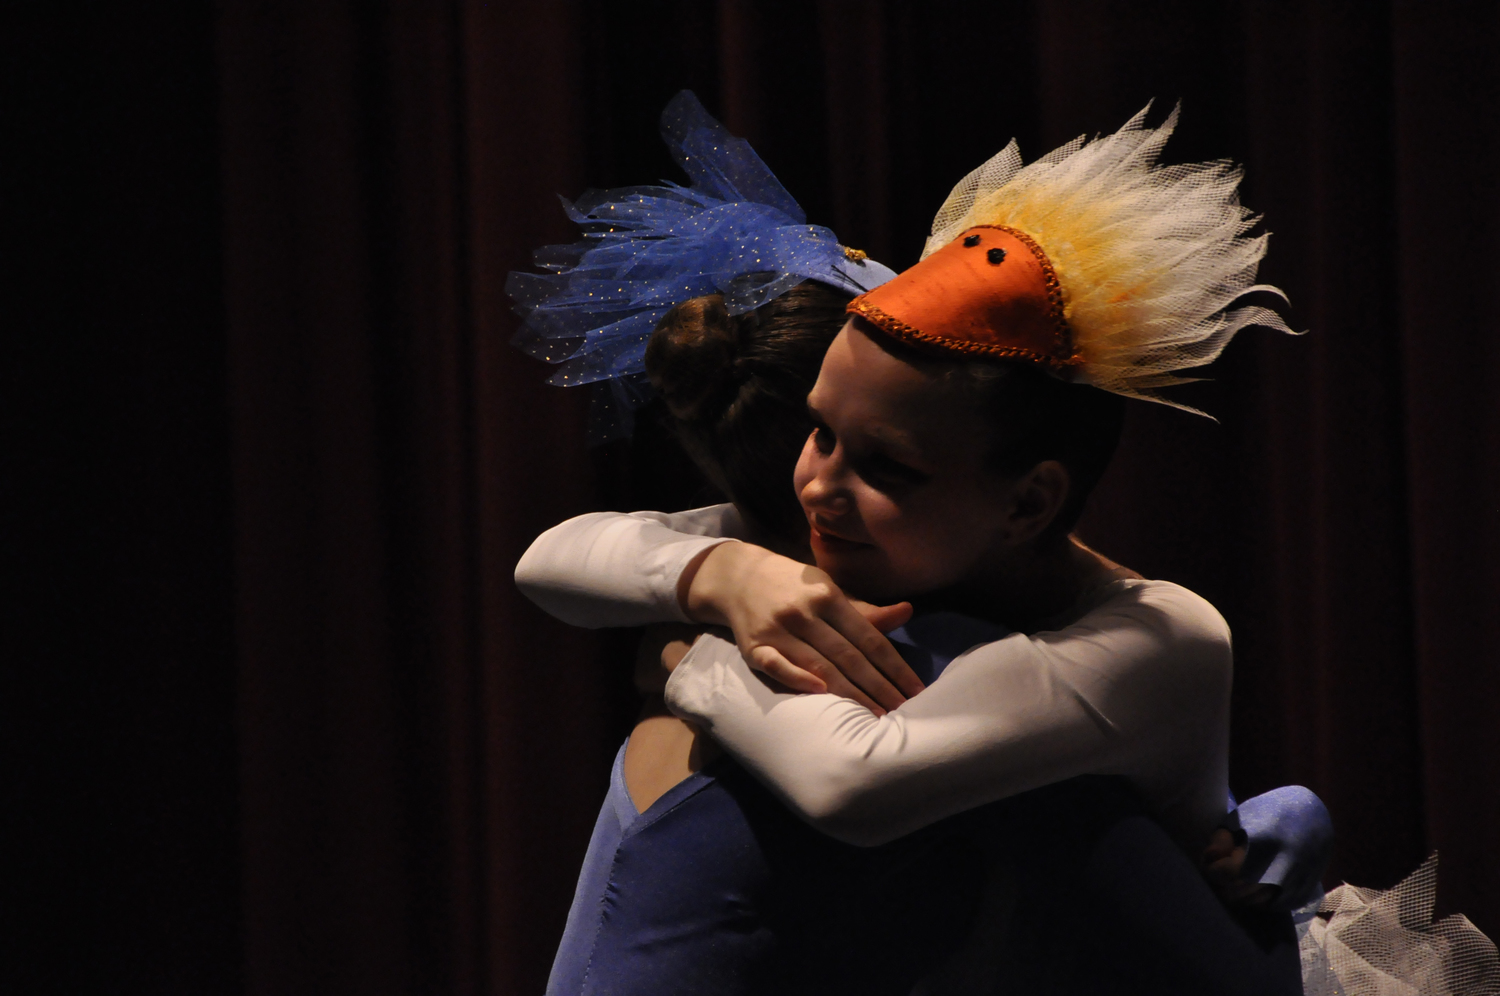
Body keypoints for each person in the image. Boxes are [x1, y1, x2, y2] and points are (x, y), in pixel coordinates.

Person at [513, 92, 1330, 995]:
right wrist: (721, 573)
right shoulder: (813, 549)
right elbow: (552, 558)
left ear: (1029, 502)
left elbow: (851, 780)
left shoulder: (1155, 637)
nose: (818, 485)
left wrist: (684, 646)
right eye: (819, 432)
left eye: (886, 467)